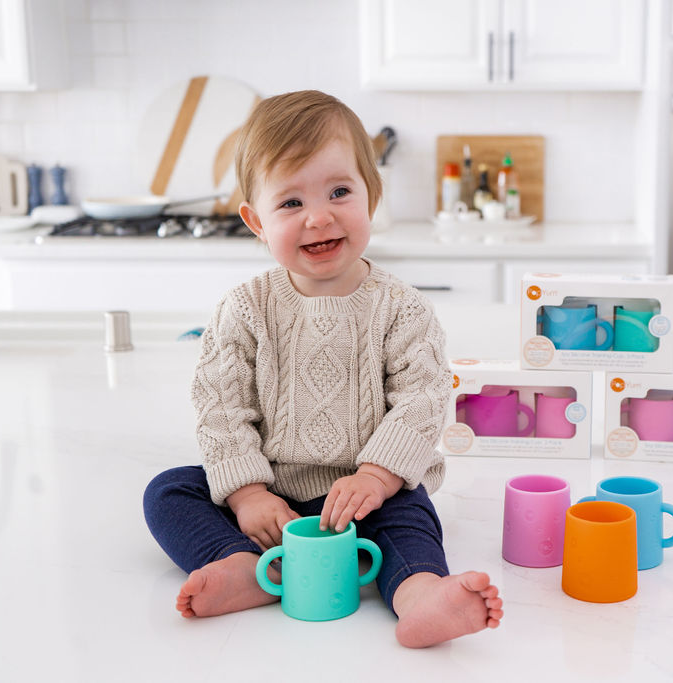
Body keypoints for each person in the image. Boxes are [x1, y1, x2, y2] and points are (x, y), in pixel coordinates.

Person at [143, 90, 502, 648]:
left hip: (365, 496)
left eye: (339, 191)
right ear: (255, 221)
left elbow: (424, 399)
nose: (319, 216)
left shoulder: (402, 307)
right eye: (290, 204)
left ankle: (419, 595)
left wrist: (377, 477)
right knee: (168, 492)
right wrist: (247, 496)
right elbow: (220, 406)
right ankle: (247, 566)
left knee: (410, 517)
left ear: (371, 196)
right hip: (274, 499)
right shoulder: (244, 308)